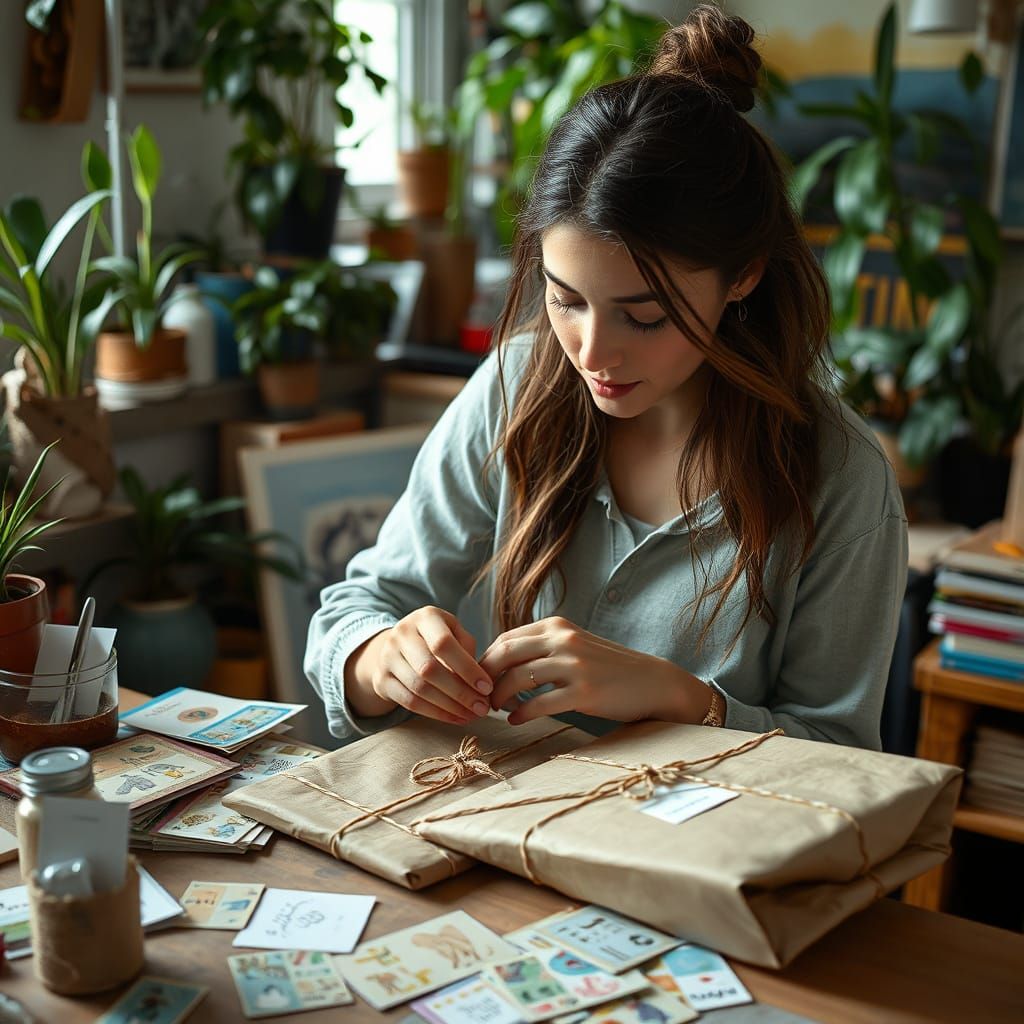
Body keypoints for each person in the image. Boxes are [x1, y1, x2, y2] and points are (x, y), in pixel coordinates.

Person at [305, 4, 908, 751]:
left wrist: (684, 700)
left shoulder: (839, 475)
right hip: (490, 839)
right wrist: (379, 657)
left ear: (744, 275)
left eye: (645, 317)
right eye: (566, 300)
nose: (592, 352)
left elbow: (844, 758)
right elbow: (360, 604)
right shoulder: (515, 387)